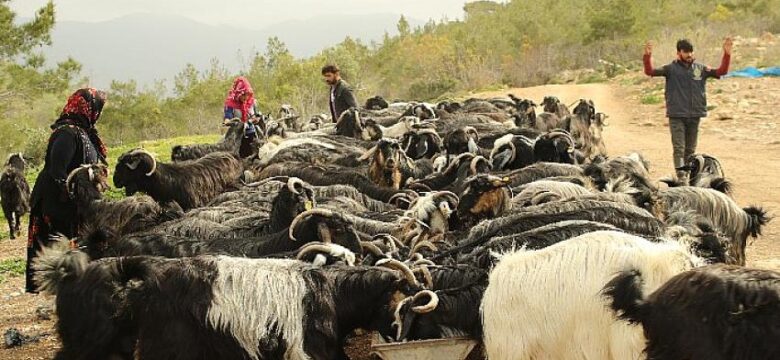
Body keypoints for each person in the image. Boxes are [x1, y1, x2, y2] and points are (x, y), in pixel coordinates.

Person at [26, 88, 108, 293]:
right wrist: (72, 193)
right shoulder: (67, 133)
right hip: (57, 202)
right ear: (86, 108)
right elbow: (57, 169)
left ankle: (72, 290)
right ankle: (60, 293)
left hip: (75, 200)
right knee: (59, 246)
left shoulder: (84, 132)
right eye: (97, 107)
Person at [644, 37, 733, 182]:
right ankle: (681, 176)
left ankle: (690, 176)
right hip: (677, 115)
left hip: (695, 114)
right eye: (686, 52)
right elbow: (650, 72)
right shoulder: (670, 69)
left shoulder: (700, 69)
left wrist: (727, 54)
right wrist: (647, 56)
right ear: (678, 52)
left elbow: (721, 71)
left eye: (691, 52)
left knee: (690, 151)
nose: (689, 55)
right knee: (679, 148)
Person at [224, 76, 261, 157]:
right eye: (243, 95)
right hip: (236, 135)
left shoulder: (252, 102)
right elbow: (227, 117)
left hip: (251, 133)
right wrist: (227, 121)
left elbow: (256, 115)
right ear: (238, 93)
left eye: (247, 95)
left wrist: (255, 119)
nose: (246, 97)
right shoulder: (230, 104)